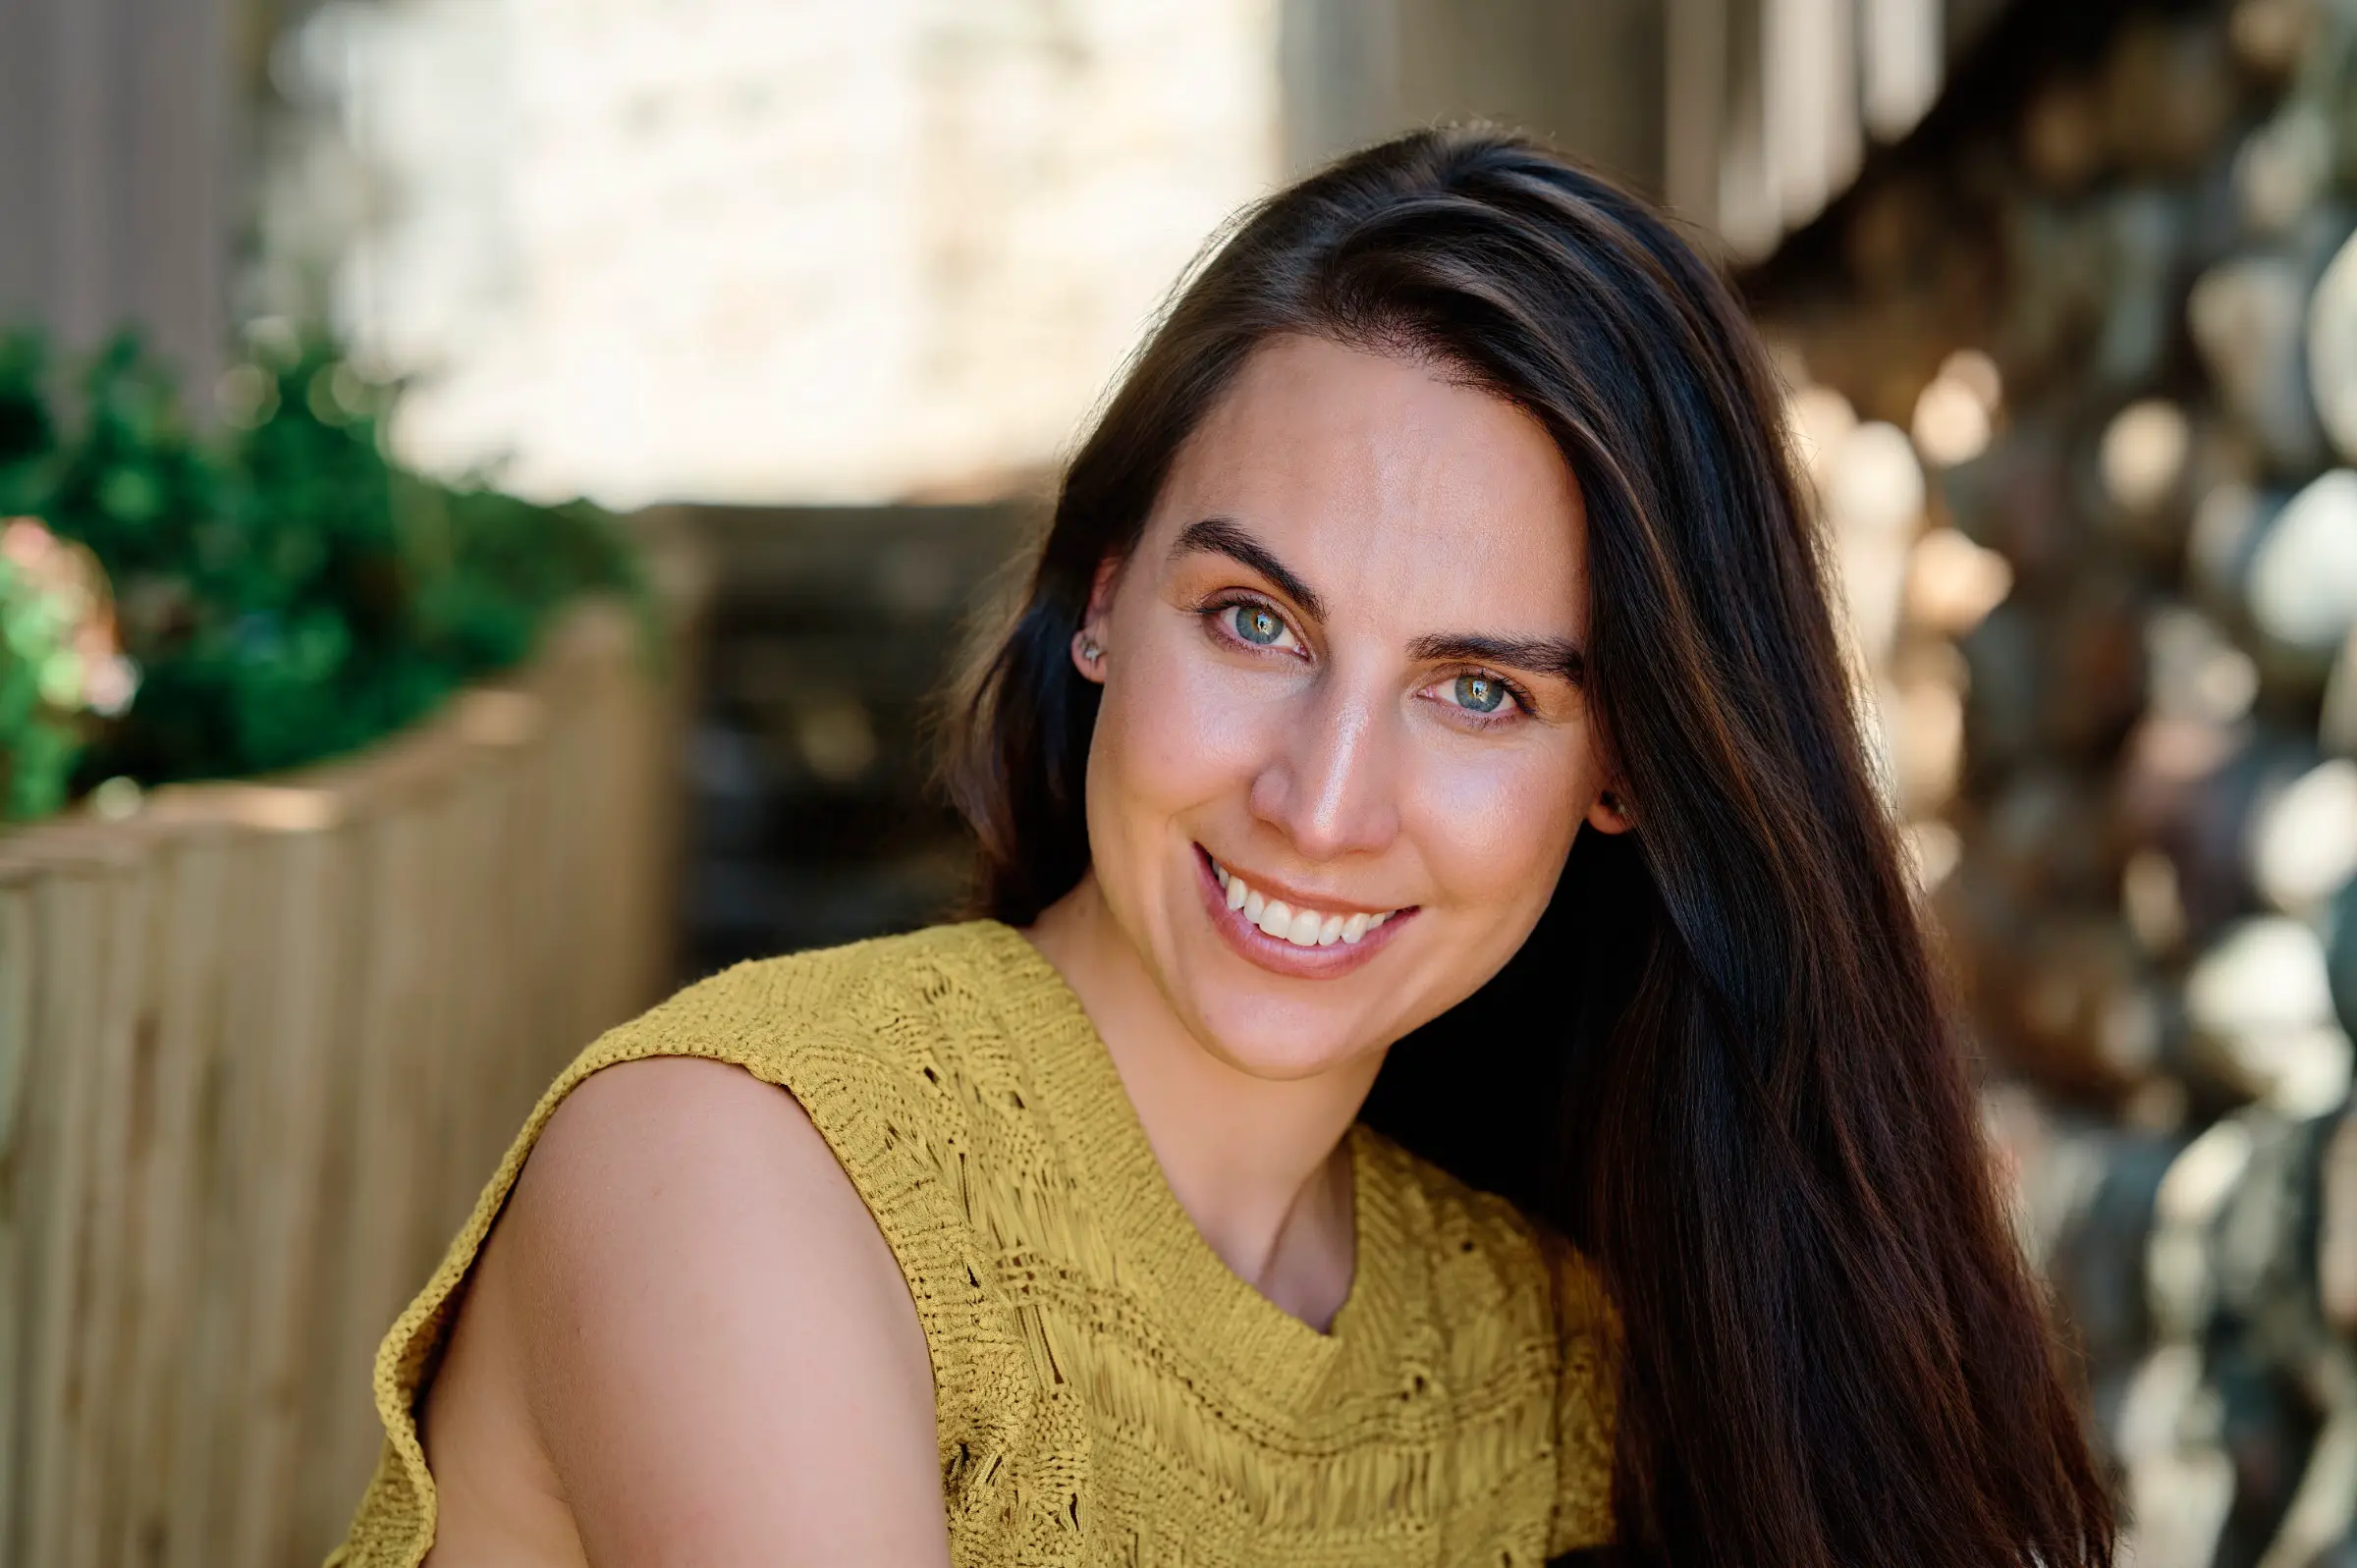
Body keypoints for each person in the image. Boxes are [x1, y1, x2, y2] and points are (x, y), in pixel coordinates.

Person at [329, 128, 2113, 1568]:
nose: (1323, 804)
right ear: (1103, 601)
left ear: (1625, 770)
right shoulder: (744, 1169)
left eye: (1480, 692)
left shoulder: (1544, 1369)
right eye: (1256, 622)